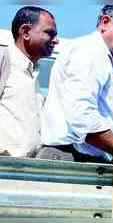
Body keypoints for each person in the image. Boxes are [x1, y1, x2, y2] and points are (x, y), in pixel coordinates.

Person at [40, 5, 113, 166]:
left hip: (86, 159)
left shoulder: (103, 57)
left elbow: (108, 120)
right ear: (105, 22)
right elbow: (82, 115)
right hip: (71, 160)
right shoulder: (89, 52)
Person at [0, 6, 58, 157]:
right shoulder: (4, 60)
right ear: (25, 32)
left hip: (26, 171)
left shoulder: (34, 74)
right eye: (49, 33)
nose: (56, 40)